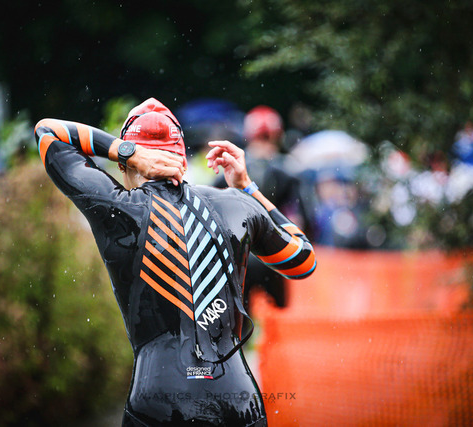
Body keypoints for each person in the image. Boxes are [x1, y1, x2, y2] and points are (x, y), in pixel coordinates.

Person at [34, 98, 316, 426]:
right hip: (238, 403)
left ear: (125, 166)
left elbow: (47, 132)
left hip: (157, 403)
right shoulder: (237, 204)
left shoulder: (118, 209)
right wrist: (247, 188)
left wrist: (126, 152)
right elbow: (302, 260)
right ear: (182, 160)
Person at [213, 105, 314, 308]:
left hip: (239, 255)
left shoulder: (231, 166)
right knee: (279, 314)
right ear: (278, 135)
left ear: (248, 134)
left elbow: (210, 211)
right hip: (274, 253)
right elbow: (304, 219)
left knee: (240, 317)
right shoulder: (288, 169)